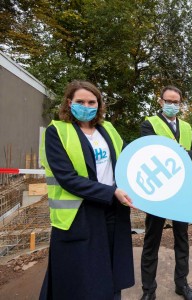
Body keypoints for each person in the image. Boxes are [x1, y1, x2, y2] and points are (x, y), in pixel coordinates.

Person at [39, 80, 135, 300]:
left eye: (92, 102)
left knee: (112, 270)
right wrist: (110, 192)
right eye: (80, 101)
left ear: (99, 105)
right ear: (69, 103)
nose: (87, 106)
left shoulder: (108, 129)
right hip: (79, 214)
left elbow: (125, 163)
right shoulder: (57, 132)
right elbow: (67, 178)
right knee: (82, 279)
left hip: (112, 211)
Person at [139, 85, 192, 300]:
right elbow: (158, 153)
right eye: (168, 101)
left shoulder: (186, 127)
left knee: (182, 239)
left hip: (182, 191)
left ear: (181, 103)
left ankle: (182, 285)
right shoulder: (149, 124)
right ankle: (149, 291)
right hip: (159, 193)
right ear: (160, 102)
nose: (172, 105)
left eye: (176, 102)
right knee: (152, 241)